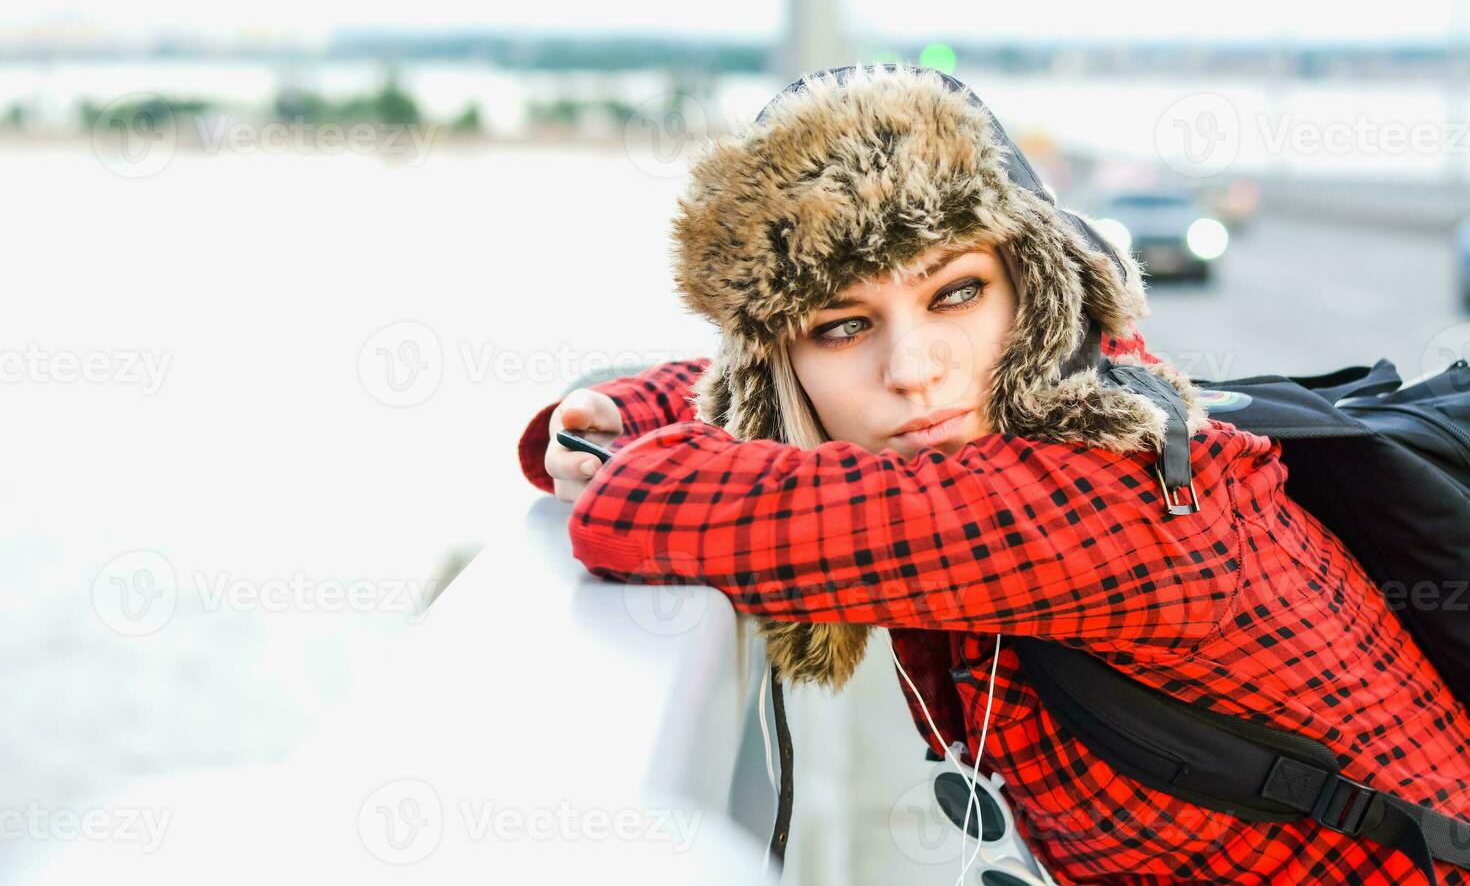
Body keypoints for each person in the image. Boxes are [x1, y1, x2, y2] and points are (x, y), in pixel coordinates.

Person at [516, 64, 1470, 883]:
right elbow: (719, 413)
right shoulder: (1070, 416)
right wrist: (628, 410)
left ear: (1041, 292)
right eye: (844, 326)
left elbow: (642, 508)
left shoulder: (1099, 503)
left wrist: (630, 450)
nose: (912, 371)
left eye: (956, 293)